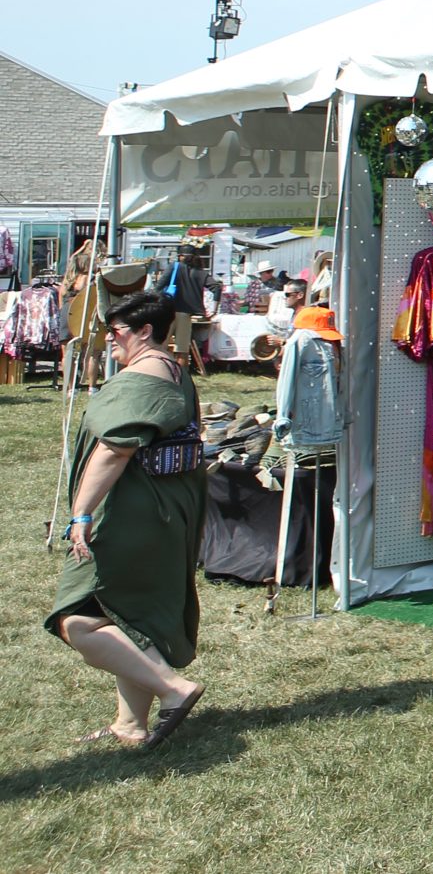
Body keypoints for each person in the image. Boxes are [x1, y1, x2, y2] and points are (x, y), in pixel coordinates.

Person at [48, 264, 209, 750]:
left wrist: (81, 514)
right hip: (164, 508)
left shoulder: (145, 376)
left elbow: (115, 449)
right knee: (140, 617)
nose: (110, 339)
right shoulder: (170, 368)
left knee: (75, 617)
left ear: (145, 332)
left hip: (138, 510)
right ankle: (130, 725)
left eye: (116, 331)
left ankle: (174, 690)